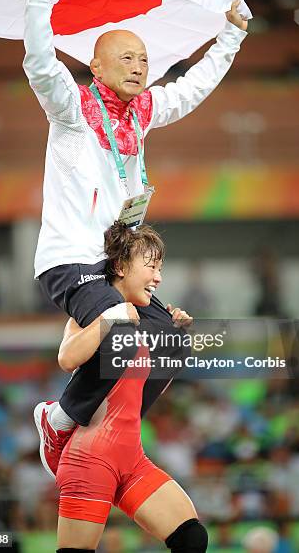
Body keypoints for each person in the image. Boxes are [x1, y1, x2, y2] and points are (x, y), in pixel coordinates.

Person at [24, 0, 248, 477]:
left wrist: (230, 34)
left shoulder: (141, 113)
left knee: (168, 335)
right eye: (126, 57)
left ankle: (108, 422)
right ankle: (58, 419)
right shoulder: (72, 109)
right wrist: (40, 1)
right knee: (122, 325)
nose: (139, 66)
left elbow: (191, 89)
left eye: (144, 59)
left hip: (114, 263)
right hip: (69, 258)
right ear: (96, 66)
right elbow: (40, 66)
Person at [54, 222, 206, 552]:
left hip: (131, 457)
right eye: (151, 267)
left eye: (160, 268)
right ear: (121, 267)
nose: (158, 278)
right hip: (91, 459)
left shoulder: (148, 319)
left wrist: (174, 339)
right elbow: (67, 358)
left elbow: (150, 392)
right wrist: (112, 318)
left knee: (192, 538)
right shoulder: (95, 310)